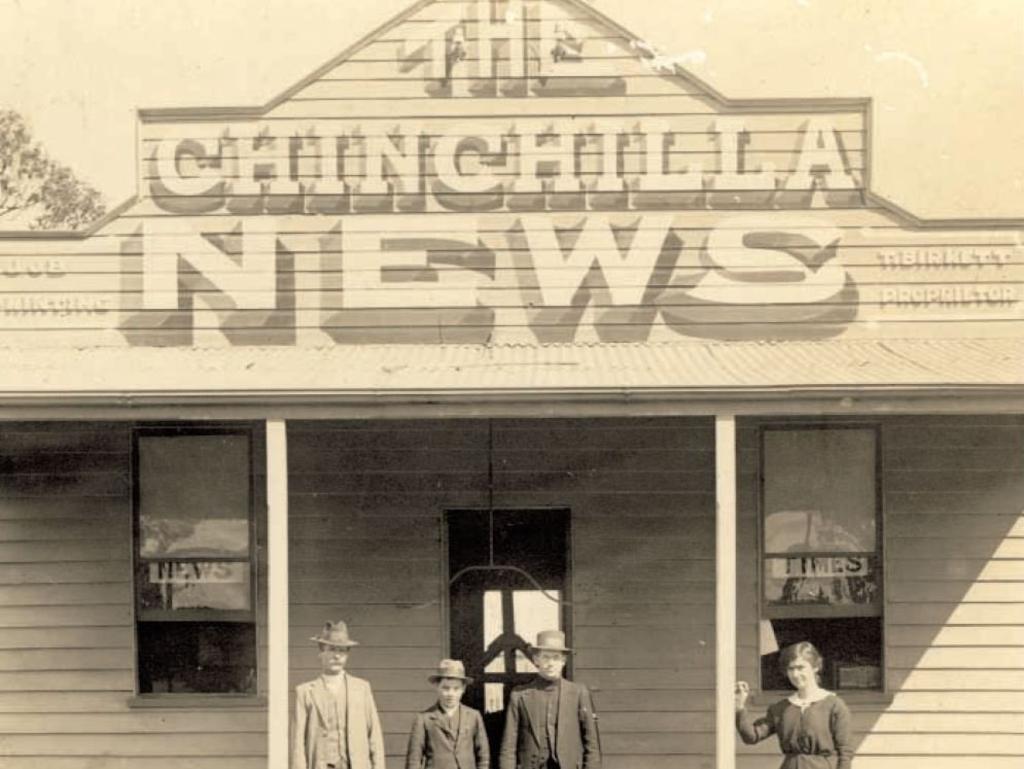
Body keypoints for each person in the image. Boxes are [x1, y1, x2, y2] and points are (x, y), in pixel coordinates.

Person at [735, 641, 854, 769]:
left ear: (815, 667)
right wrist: (740, 706)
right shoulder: (781, 708)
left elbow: (845, 753)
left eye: (800, 667)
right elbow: (751, 737)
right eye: (791, 669)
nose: (795, 674)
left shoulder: (834, 705)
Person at [499, 630, 601, 769]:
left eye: (555, 657)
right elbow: (508, 746)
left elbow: (592, 744)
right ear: (536, 660)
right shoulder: (520, 695)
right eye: (545, 657)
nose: (550, 663)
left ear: (563, 661)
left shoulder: (578, 693)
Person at [292, 619, 387, 769]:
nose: (337, 656)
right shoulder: (305, 692)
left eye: (342, 651)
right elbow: (298, 742)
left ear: (347, 655)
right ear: (321, 652)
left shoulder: (361, 689)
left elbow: (374, 735)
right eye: (332, 649)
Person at [405, 659, 490, 769]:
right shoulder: (424, 719)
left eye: (456, 689)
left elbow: (483, 755)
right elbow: (414, 760)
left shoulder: (473, 716)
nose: (451, 694)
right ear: (437, 687)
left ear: (463, 689)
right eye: (445, 688)